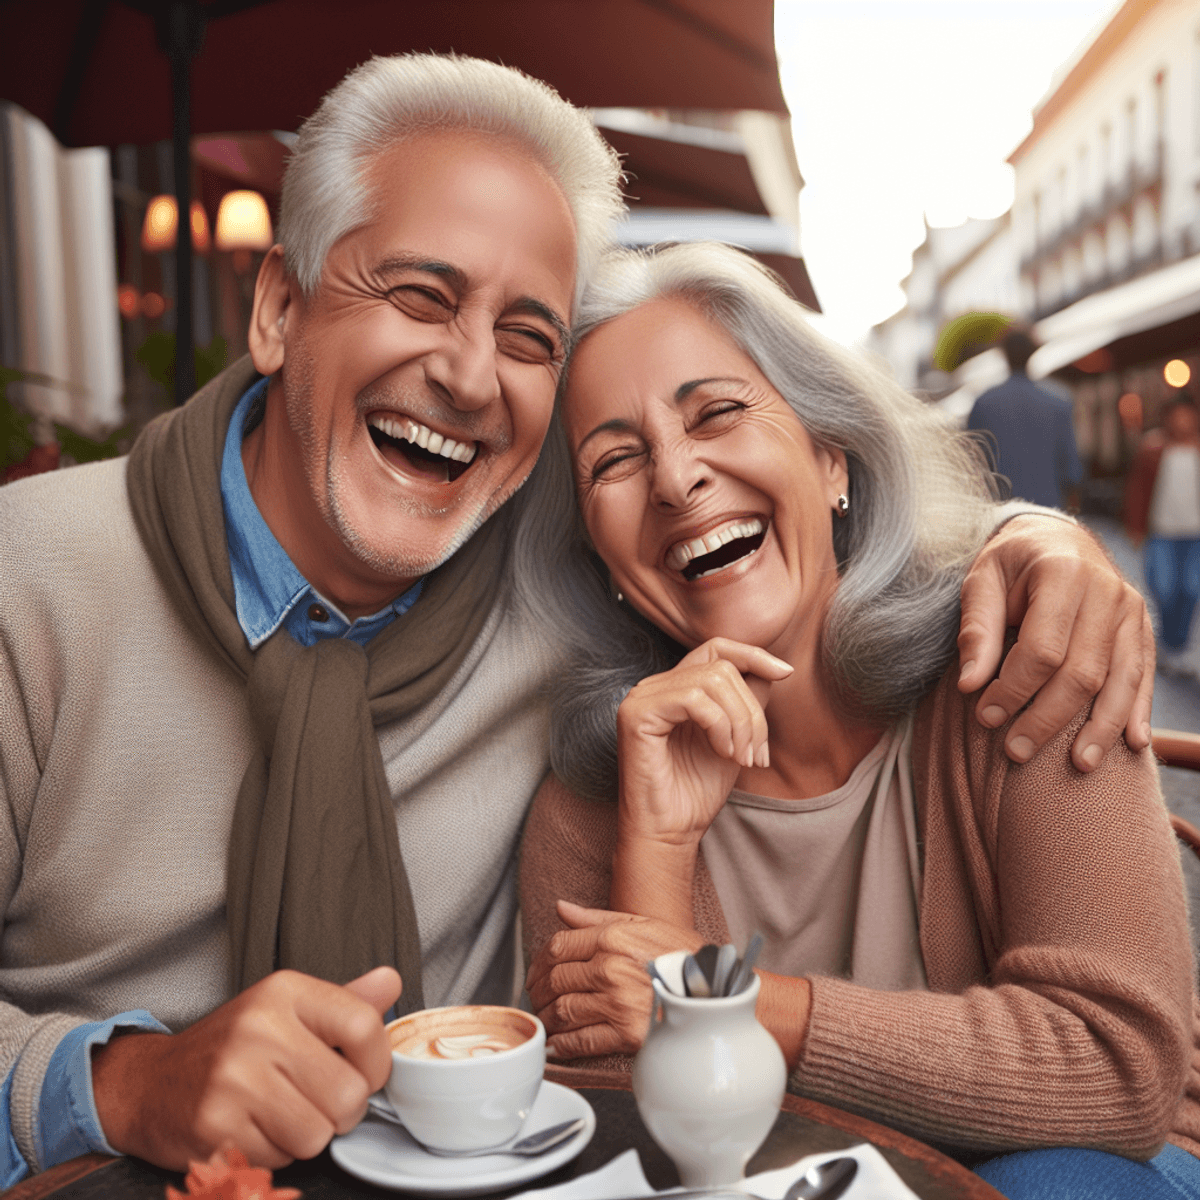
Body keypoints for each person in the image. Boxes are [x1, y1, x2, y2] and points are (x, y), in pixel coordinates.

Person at [0, 53, 1157, 1180]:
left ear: (834, 452)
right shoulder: (33, 582)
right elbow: (627, 1078)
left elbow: (1119, 1066)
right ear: (279, 309)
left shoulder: (1005, 647)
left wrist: (1038, 545)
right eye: (420, 294)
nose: (466, 376)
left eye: (526, 337)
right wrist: (115, 1086)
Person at [520, 243, 1200, 1200]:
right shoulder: (592, 801)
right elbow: (637, 1164)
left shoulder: (1029, 655)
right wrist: (660, 849)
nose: (675, 480)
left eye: (717, 411)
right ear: (599, 556)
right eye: (615, 460)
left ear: (830, 456)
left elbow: (1116, 1071)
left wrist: (743, 1008)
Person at [968, 326, 1083, 509]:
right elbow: (1072, 470)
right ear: (1032, 353)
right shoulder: (1059, 402)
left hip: (1000, 511)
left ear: (1004, 355)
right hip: (1048, 510)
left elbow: (972, 465)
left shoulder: (983, 404)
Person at [1125, 396, 1200, 678]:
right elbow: (1137, 489)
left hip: (1195, 536)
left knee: (1191, 590)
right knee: (1165, 589)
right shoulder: (1153, 448)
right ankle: (1169, 645)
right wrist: (1135, 527)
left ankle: (1178, 648)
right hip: (1162, 534)